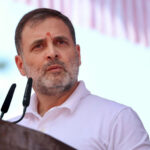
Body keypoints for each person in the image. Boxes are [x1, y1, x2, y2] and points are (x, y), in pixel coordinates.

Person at [14, 8, 150, 150]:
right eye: (39, 46)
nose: (52, 53)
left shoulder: (118, 120)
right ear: (21, 65)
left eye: (60, 42)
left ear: (78, 54)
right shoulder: (7, 132)